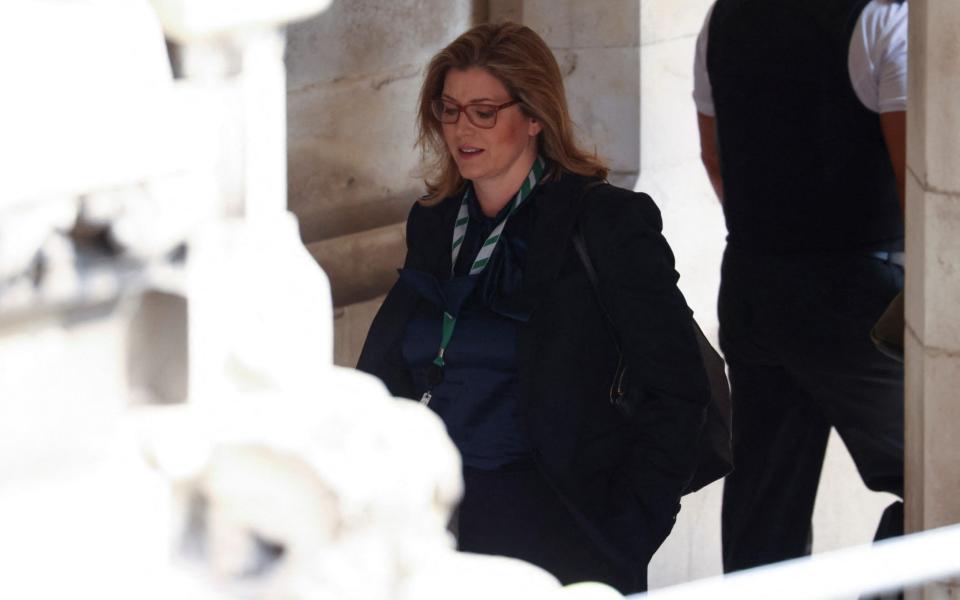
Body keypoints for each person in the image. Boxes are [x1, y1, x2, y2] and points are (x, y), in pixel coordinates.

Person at [358, 21, 711, 593]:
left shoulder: (606, 224)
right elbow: (389, 366)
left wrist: (626, 535)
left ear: (535, 116)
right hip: (434, 529)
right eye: (449, 110)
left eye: (484, 111)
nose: (461, 129)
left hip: (558, 533)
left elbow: (678, 391)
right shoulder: (436, 220)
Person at [693, 0, 907, 573]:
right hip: (861, 298)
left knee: (765, 511)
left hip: (754, 282)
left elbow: (715, 159)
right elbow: (925, 189)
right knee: (943, 480)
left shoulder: (725, 15)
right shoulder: (887, 18)